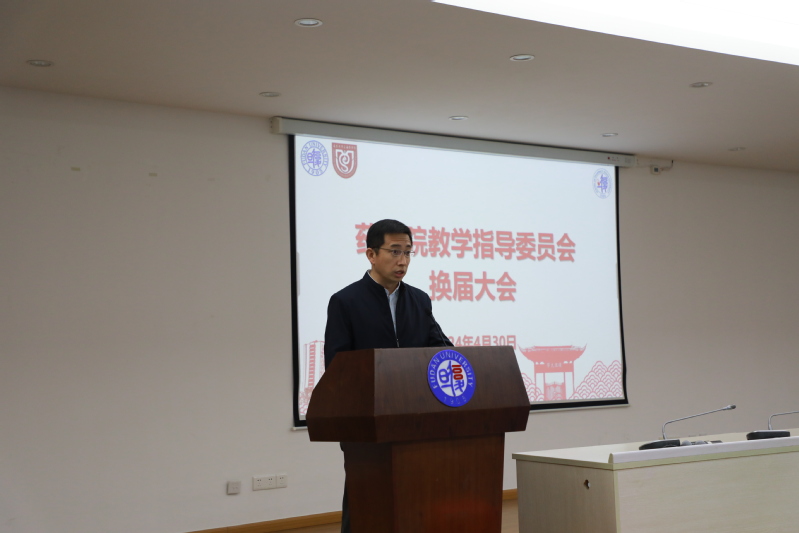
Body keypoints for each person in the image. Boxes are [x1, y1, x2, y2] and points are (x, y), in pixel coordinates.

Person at [324, 218, 453, 533]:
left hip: (414, 416)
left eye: (408, 252)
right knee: (364, 497)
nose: (403, 261)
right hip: (364, 419)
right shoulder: (346, 301)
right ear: (371, 254)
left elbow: (439, 347)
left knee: (413, 496)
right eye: (395, 251)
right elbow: (337, 365)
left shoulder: (419, 300)